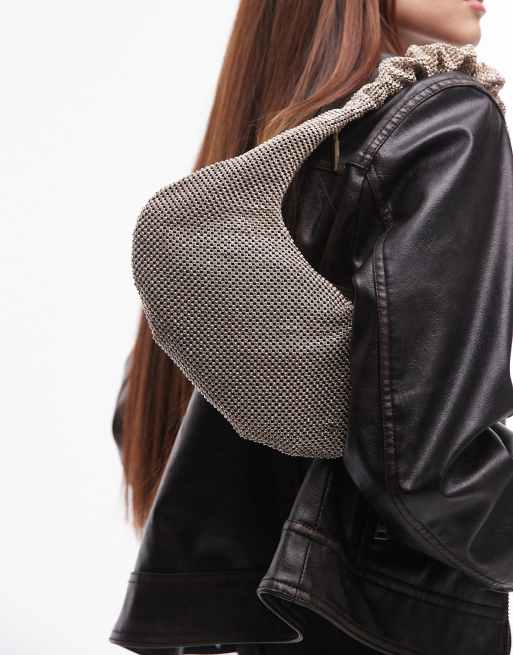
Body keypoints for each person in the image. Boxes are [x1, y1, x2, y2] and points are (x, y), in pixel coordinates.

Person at [109, 1, 513, 654]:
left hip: (265, 626)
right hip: (379, 626)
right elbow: (428, 465)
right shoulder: (443, 120)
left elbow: (139, 416)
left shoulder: (260, 152)